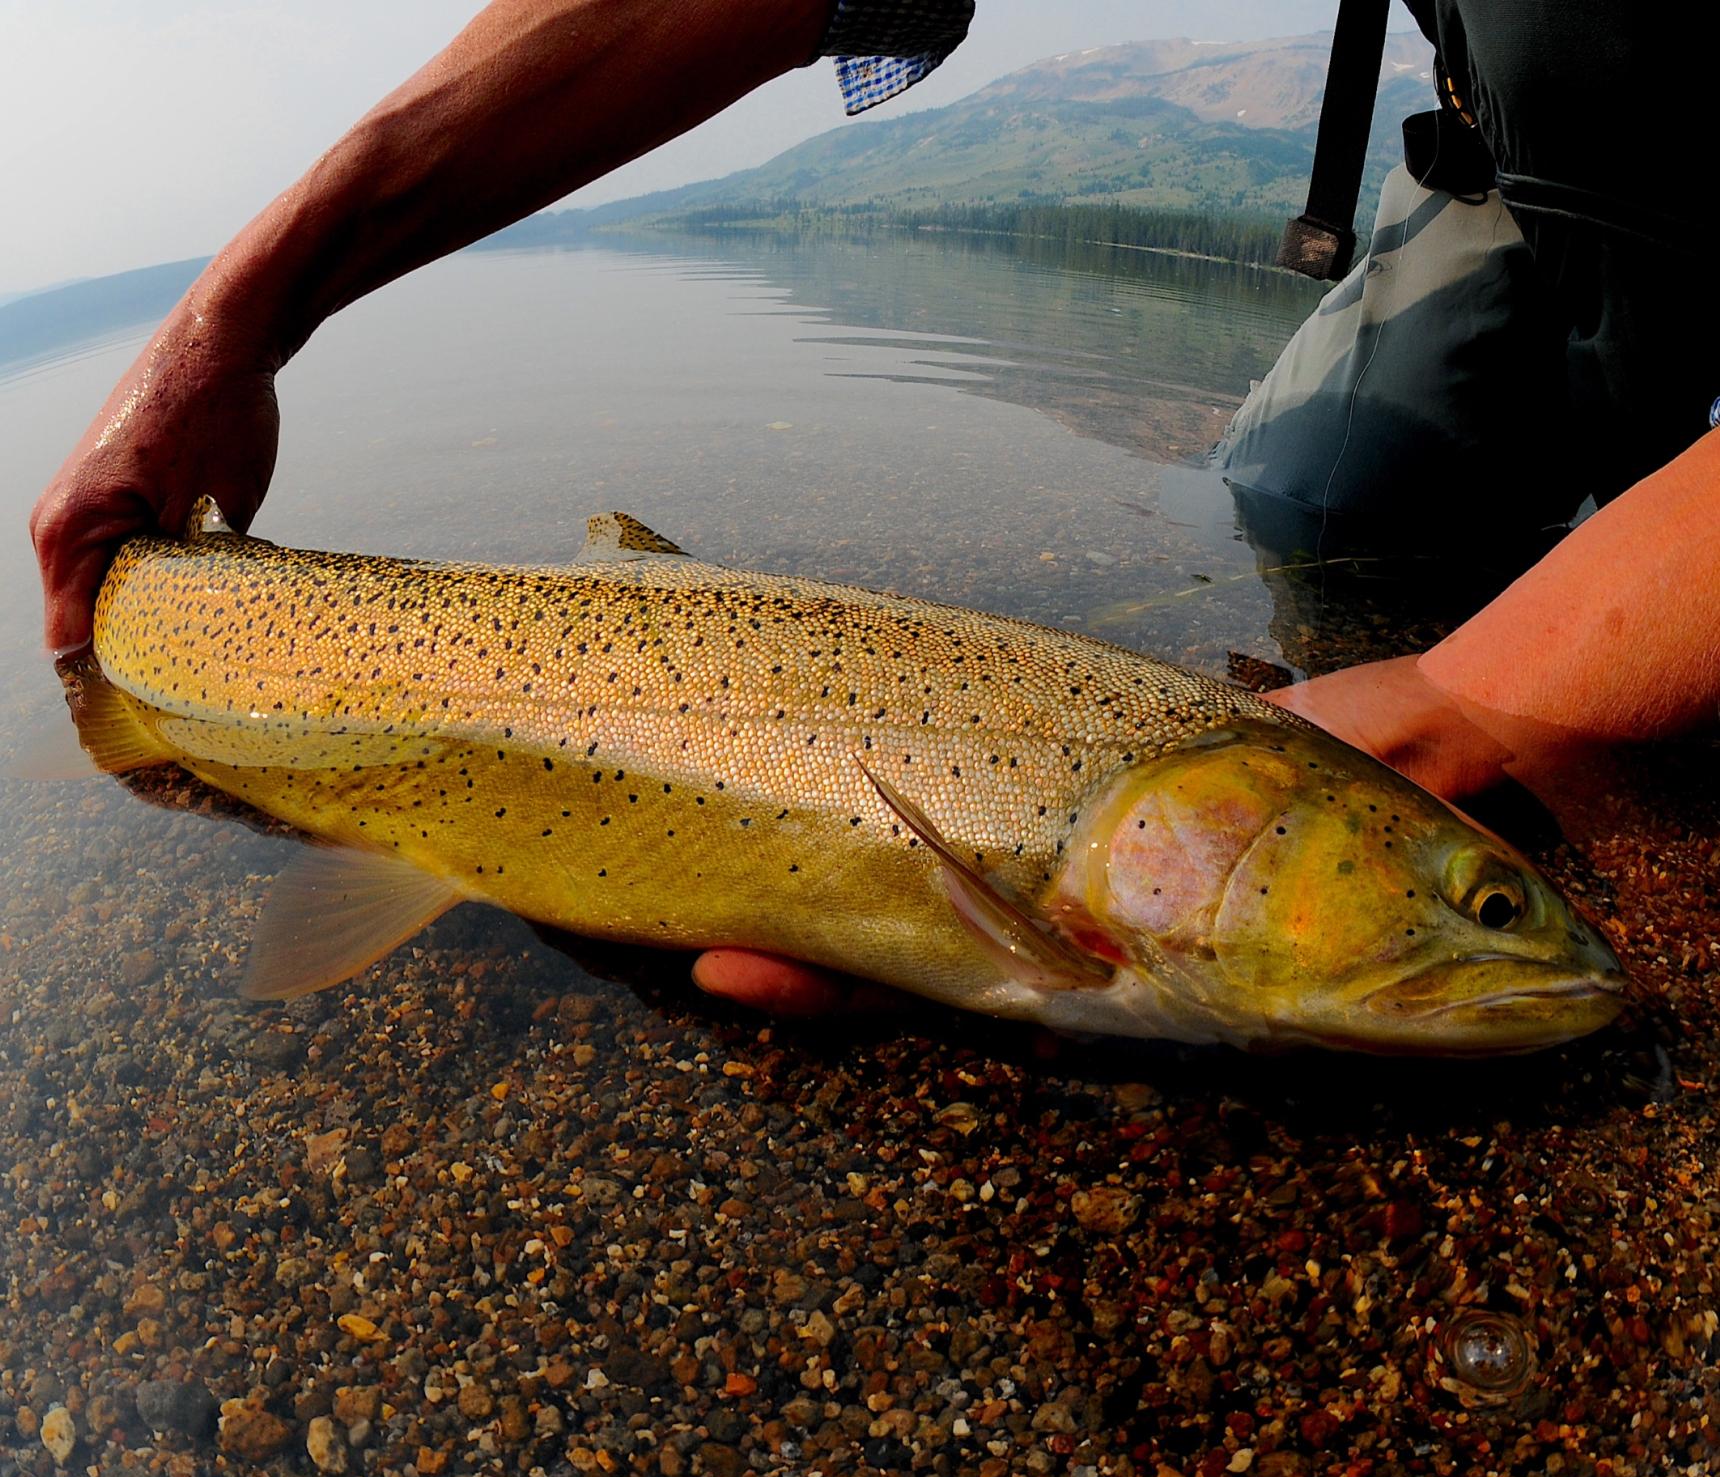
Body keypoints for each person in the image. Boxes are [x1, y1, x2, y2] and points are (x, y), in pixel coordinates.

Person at [30, 0, 1720, 1017]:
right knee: (1314, 495)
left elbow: (1484, 698)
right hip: (1550, 172)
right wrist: (237, 314)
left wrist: (1485, 694)